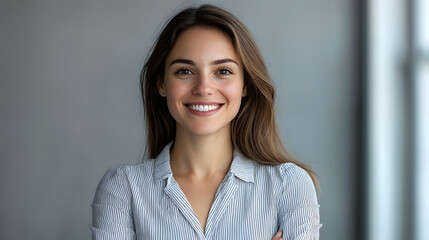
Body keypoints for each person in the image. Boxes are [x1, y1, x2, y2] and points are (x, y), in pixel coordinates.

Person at [91, 4, 321, 240]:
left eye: (222, 71)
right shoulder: (122, 189)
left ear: (245, 85)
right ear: (161, 84)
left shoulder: (289, 185)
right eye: (184, 71)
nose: (203, 88)